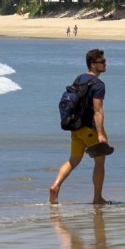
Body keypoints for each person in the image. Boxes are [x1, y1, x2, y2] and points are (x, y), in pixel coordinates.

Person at [49, 48, 110, 205]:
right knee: (100, 162)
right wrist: (100, 134)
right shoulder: (99, 85)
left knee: (73, 160)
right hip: (90, 128)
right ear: (93, 64)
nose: (105, 64)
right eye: (102, 62)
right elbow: (97, 111)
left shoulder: (79, 78)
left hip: (76, 128)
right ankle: (97, 198)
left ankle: (55, 186)